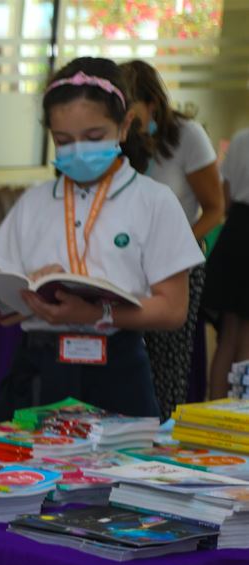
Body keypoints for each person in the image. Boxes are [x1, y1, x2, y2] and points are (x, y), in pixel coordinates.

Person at [0, 58, 204, 418]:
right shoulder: (35, 202)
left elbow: (172, 309)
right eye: (63, 141)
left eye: (93, 137)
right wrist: (33, 291)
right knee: (29, 472)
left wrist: (97, 312)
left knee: (115, 472)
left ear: (124, 126)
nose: (79, 151)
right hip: (39, 366)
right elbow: (1, 300)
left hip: (116, 368)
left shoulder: (153, 201)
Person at [120, 59, 225, 415]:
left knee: (166, 366)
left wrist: (176, 244)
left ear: (153, 103)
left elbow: (214, 208)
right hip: (129, 266)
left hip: (175, 268)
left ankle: (160, 435)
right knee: (130, 360)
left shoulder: (187, 135)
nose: (128, 124)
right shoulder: (121, 140)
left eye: (133, 114)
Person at [203, 127, 249, 399]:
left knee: (228, 336)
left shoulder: (241, 137)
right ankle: (242, 415)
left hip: (234, 232)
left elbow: (226, 197)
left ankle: (216, 407)